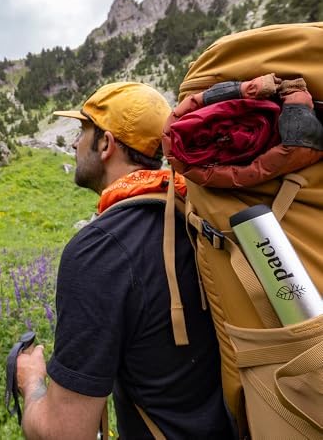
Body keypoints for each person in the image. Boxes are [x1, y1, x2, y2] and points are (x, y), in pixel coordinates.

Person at [17, 82, 234, 439]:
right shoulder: (197, 216)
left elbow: (64, 432)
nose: (74, 144)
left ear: (106, 144)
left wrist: (31, 381)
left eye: (83, 131)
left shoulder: (99, 252)